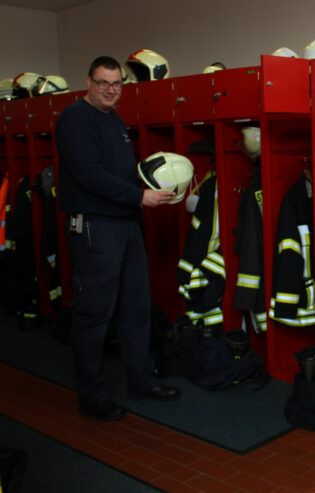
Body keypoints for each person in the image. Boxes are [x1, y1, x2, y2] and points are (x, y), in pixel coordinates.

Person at [56, 56, 180, 421]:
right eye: (103, 83)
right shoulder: (75, 119)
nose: (110, 90)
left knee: (136, 308)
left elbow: (121, 173)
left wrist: (150, 186)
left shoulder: (114, 119)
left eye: (116, 84)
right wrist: (139, 196)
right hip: (96, 228)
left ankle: (141, 381)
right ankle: (92, 396)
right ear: (88, 82)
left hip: (126, 224)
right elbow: (87, 174)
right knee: (95, 314)